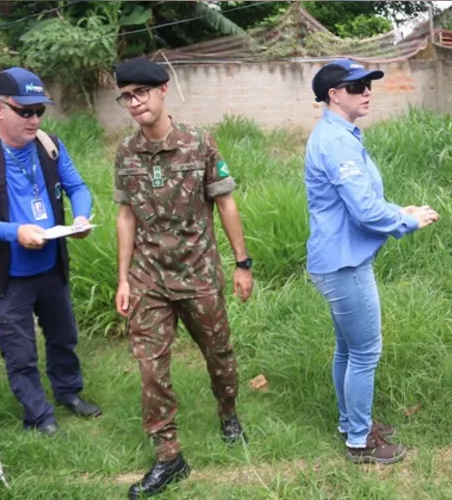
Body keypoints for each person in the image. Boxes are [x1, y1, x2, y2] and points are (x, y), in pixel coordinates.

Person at [110, 56, 254, 498]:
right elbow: (125, 215)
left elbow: (225, 203)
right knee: (151, 368)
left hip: (199, 274)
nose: (134, 103)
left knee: (220, 353)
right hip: (149, 278)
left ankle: (228, 413)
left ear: (161, 91)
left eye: (140, 93)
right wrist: (123, 279)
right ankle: (169, 457)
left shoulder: (199, 142)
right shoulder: (126, 153)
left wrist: (241, 263)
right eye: (126, 96)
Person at [0, 66, 101, 435]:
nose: (34, 119)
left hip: (50, 265)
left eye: (40, 111)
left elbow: (78, 186)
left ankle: (69, 392)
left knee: (64, 335)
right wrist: (16, 232)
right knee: (20, 351)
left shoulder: (50, 146)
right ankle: (38, 415)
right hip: (7, 273)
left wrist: (80, 218)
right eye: (25, 111)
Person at [304, 59, 440, 464]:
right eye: (357, 85)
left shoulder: (338, 134)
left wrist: (401, 208)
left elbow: (359, 202)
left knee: (348, 350)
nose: (367, 91)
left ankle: (352, 425)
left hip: (336, 259)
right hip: (344, 265)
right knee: (365, 353)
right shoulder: (337, 141)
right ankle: (360, 443)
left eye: (368, 84)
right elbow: (364, 211)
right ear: (334, 94)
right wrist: (408, 221)